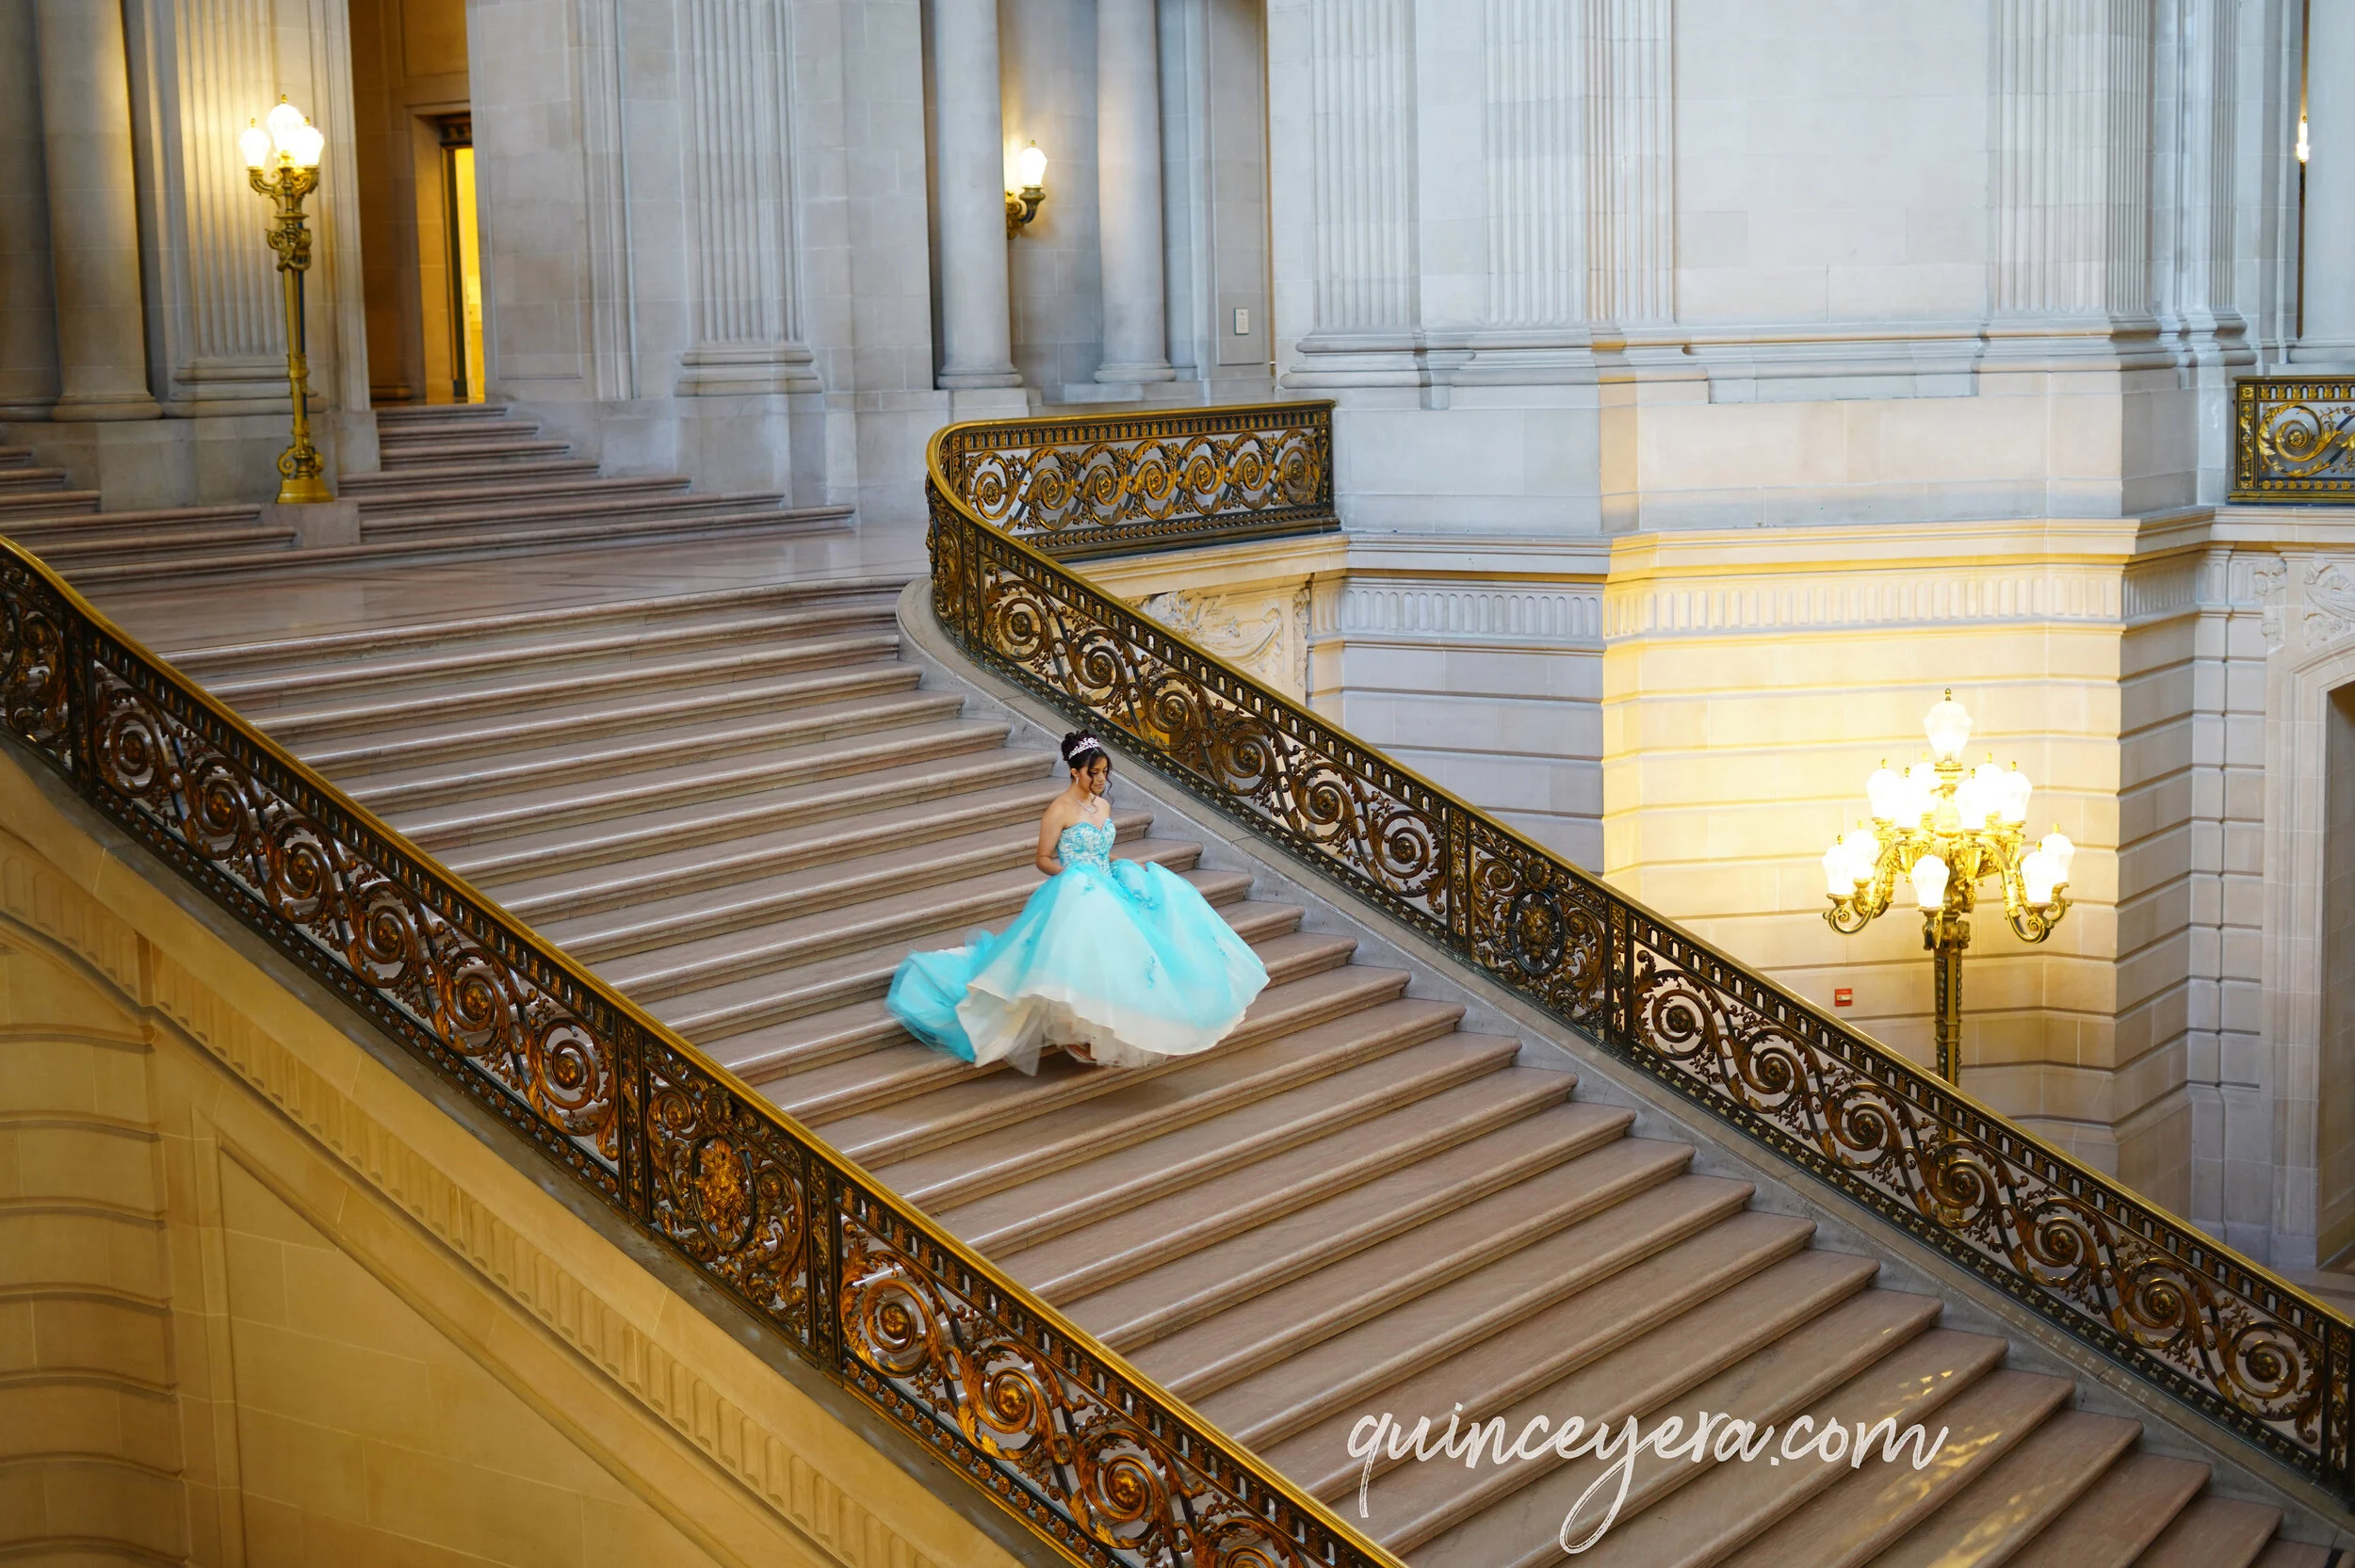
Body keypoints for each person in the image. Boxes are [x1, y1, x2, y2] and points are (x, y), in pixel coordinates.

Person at [885, 730, 1270, 1073]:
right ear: (1075, 771)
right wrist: (1074, 876)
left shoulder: (1102, 807)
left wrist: (1119, 866)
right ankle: (1077, 1031)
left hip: (1106, 886)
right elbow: (1043, 858)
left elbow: (1102, 849)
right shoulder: (1059, 810)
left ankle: (1107, 1031)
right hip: (1075, 892)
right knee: (1083, 956)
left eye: (1104, 772)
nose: (1101, 780)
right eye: (1094, 773)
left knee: (1136, 944)